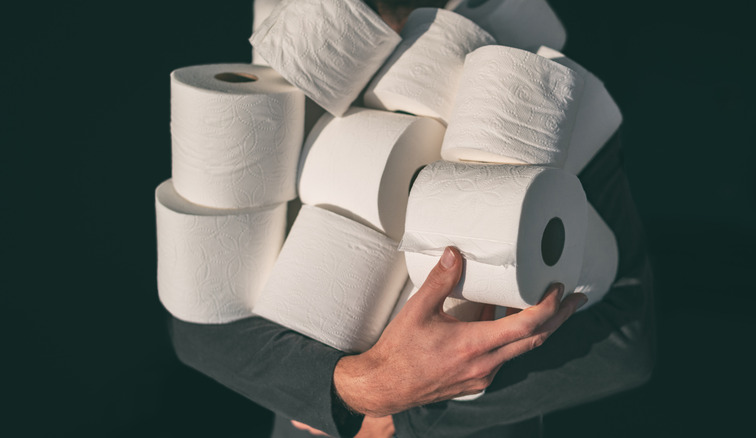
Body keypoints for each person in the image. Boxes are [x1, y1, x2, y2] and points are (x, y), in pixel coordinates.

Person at [168, 2, 655, 437]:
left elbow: (623, 344)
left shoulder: (536, 104)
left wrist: (405, 409)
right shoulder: (285, 77)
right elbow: (201, 314)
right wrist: (360, 392)